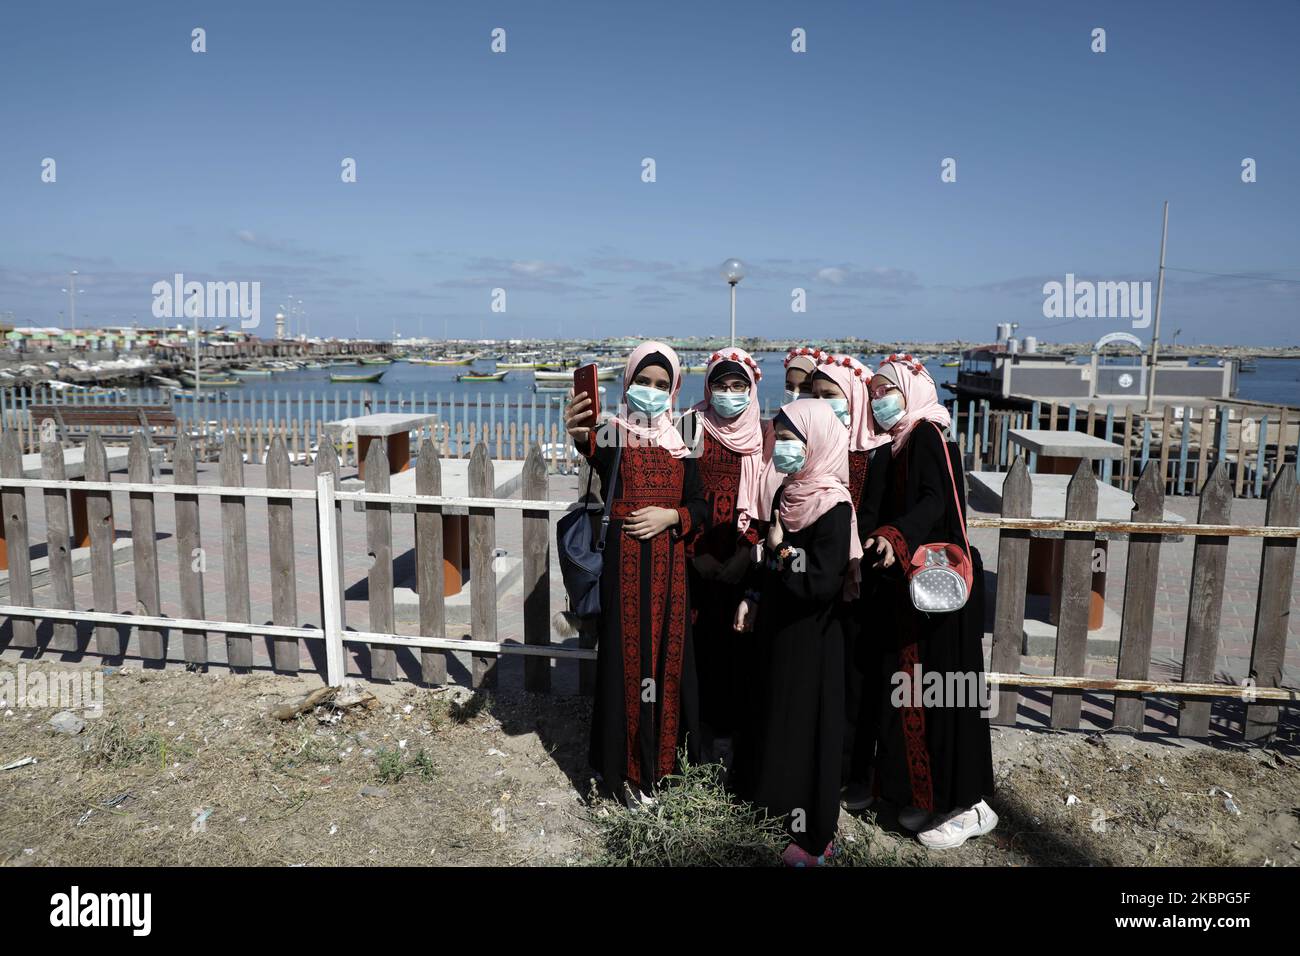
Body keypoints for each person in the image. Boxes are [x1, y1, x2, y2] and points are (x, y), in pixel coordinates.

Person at [564, 342, 709, 805]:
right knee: (626, 667)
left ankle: (661, 768)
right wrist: (578, 426)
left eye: (662, 385)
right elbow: (586, 441)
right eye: (643, 382)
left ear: (674, 390)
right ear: (627, 384)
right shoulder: (613, 435)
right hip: (623, 572)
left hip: (670, 576)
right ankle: (623, 773)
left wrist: (672, 518)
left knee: (666, 667)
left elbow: (701, 506)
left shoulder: (684, 440)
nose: (651, 391)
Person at [862, 354, 996, 849]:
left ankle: (968, 805)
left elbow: (936, 502)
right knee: (915, 697)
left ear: (910, 391)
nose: (878, 401)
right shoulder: (895, 445)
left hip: (941, 596)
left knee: (945, 700)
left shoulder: (927, 437)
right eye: (873, 392)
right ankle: (927, 796)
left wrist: (896, 535)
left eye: (886, 390)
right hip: (916, 595)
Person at [731, 399, 862, 866]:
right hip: (778, 628)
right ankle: (770, 806)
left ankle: (812, 835)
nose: (780, 448)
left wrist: (783, 549)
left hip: (813, 636)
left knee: (806, 726)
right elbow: (767, 562)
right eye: (778, 438)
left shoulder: (832, 505)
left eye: (791, 440)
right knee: (775, 715)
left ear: (817, 443)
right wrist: (753, 595)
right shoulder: (787, 492)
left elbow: (820, 583)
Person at [808, 354, 891, 810]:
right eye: (814, 396)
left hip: (864, 589)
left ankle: (856, 776)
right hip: (817, 583)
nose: (821, 406)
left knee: (859, 687)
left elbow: (878, 517)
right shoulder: (817, 445)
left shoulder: (878, 451)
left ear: (855, 398)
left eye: (831, 396)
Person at [680, 348, 767, 763]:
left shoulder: (765, 435)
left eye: (738, 386)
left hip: (739, 563)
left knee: (736, 648)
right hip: (694, 560)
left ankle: (730, 740)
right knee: (694, 646)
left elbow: (770, 502)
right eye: (720, 385)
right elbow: (675, 491)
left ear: (751, 390)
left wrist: (746, 553)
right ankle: (692, 736)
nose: (729, 394)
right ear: (707, 387)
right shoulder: (690, 427)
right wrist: (694, 554)